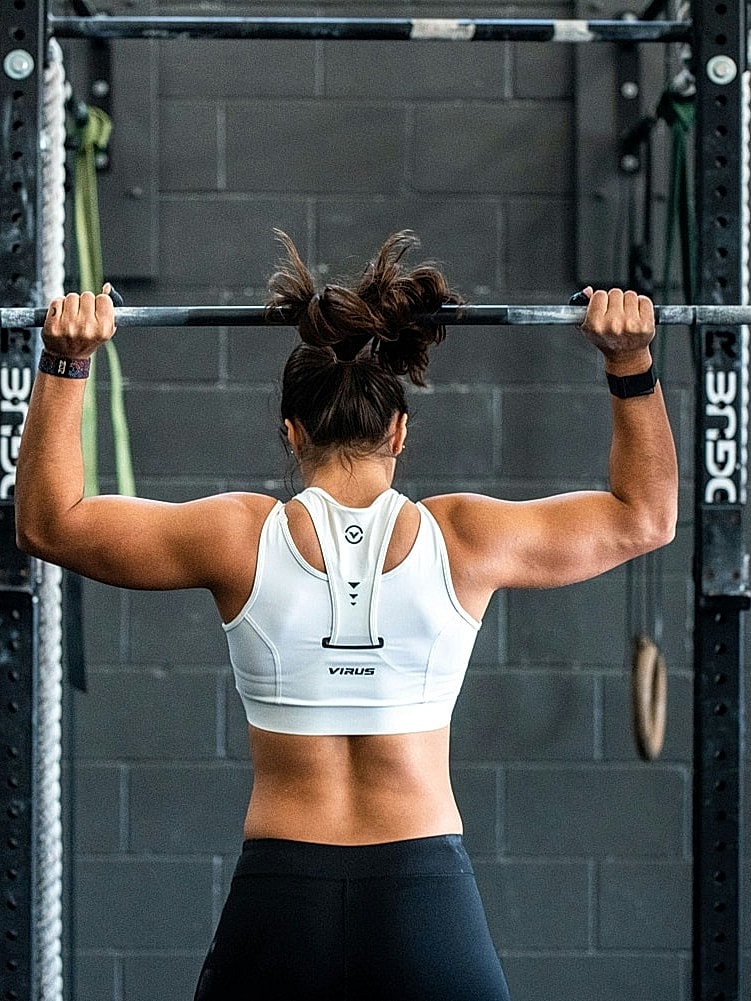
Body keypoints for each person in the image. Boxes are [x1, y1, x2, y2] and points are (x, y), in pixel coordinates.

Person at [15, 230, 678, 1001]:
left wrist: (67, 362)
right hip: (424, 895)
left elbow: (49, 523)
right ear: (399, 430)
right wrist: (629, 363)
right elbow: (645, 516)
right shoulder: (464, 537)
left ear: (289, 430)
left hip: (279, 898)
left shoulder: (238, 536)